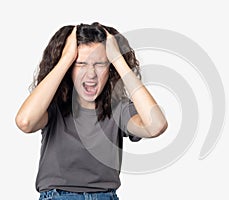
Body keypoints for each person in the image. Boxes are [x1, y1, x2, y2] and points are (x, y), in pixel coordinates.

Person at [15, 22, 168, 200]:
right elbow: (25, 122)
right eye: (80, 63)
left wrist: (118, 59)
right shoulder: (53, 107)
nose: (91, 74)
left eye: (100, 64)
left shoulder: (119, 109)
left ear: (110, 68)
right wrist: (66, 59)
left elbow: (156, 126)